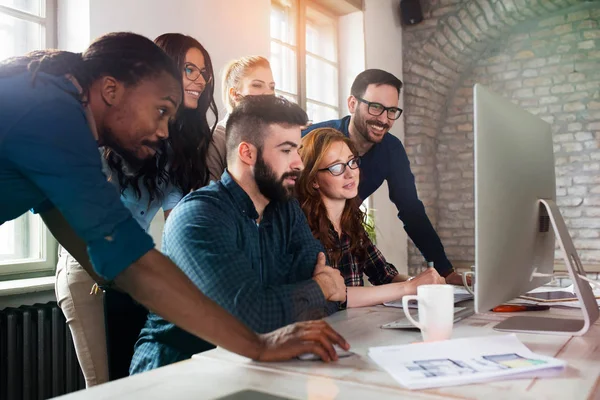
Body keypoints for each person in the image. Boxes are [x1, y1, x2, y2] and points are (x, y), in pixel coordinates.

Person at [0, 32, 348, 378]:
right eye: (162, 109)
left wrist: (145, 286)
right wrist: (258, 344)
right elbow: (129, 261)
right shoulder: (55, 114)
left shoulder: (54, 106)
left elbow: (82, 238)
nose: (165, 131)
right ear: (111, 90)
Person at [130, 95, 347, 373]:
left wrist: (314, 292)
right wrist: (319, 288)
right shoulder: (198, 217)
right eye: (286, 150)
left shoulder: (286, 209)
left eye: (298, 150)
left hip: (258, 367)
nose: (299, 164)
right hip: (179, 373)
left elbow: (332, 297)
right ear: (247, 153)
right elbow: (247, 321)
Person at [53, 33, 223, 387]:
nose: (199, 79)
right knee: (106, 388)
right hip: (89, 271)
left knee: (138, 384)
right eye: (188, 68)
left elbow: (178, 218)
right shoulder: (118, 126)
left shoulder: (182, 145)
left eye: (204, 71)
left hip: (129, 269)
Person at [302, 69, 464, 285]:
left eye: (392, 111)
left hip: (344, 229)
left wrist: (445, 272)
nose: (384, 119)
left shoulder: (391, 151)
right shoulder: (313, 141)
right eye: (376, 107)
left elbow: (412, 211)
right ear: (352, 104)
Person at [297, 128, 446, 308]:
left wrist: (425, 283)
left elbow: (385, 275)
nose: (350, 173)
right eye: (336, 167)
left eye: (352, 162)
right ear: (313, 180)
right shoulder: (302, 227)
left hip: (355, 326)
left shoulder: (350, 223)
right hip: (324, 330)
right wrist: (409, 287)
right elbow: (336, 295)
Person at [208, 56, 275, 181]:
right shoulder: (217, 137)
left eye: (272, 87)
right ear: (234, 93)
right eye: (257, 85)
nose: (268, 93)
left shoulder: (273, 136)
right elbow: (207, 193)